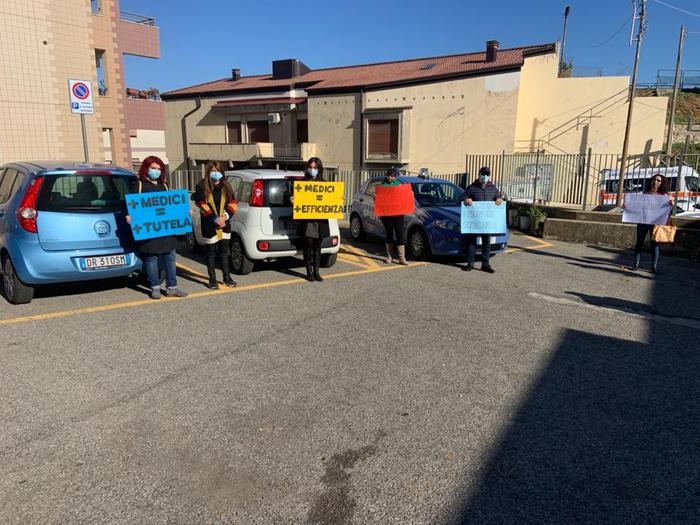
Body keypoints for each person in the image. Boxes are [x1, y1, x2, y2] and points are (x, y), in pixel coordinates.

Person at [127, 156, 188, 300]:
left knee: (170, 257)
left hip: (166, 230)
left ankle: (172, 287)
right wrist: (131, 217)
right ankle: (155, 287)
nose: (157, 171)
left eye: (159, 169)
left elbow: (172, 207)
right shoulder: (139, 186)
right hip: (150, 230)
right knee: (151, 259)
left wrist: (184, 212)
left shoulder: (164, 186)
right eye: (153, 168)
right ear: (146, 168)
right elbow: (131, 206)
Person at [192, 161, 238, 289]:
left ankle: (227, 277)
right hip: (209, 224)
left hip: (225, 223)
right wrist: (214, 219)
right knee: (211, 253)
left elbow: (233, 202)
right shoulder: (202, 186)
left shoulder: (226, 186)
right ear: (208, 172)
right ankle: (212, 279)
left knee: (224, 252)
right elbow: (201, 203)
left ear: (222, 172)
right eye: (213, 171)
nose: (215, 173)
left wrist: (225, 217)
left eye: (217, 171)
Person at [294, 157, 330, 282]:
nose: (312, 170)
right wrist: (293, 200)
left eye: (315, 167)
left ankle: (317, 271)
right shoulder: (302, 184)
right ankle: (309, 272)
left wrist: (338, 199)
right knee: (308, 245)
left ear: (319, 169)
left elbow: (330, 199)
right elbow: (296, 198)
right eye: (310, 167)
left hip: (320, 221)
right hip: (308, 221)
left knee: (318, 246)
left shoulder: (325, 184)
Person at [462, 166, 504, 273]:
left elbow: (498, 198)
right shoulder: (471, 187)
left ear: (489, 176)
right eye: (483, 174)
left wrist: (499, 199)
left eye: (487, 174)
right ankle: (470, 263)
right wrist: (466, 200)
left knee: (486, 243)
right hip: (474, 220)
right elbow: (462, 198)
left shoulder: (493, 188)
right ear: (479, 174)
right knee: (471, 242)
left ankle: (485, 264)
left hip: (487, 222)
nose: (485, 176)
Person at [630, 173, 673, 274]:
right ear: (651, 181)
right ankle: (636, 264)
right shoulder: (645, 194)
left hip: (655, 223)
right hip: (643, 221)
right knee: (639, 243)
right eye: (654, 180)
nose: (656, 182)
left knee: (654, 244)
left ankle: (654, 266)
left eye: (658, 180)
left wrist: (670, 205)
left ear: (662, 183)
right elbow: (636, 206)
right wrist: (627, 205)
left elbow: (667, 211)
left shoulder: (665, 196)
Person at [379, 167, 408, 265]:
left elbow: (404, 198)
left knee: (400, 235)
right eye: (388, 175)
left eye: (391, 176)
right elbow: (379, 202)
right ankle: (389, 256)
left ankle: (401, 258)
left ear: (395, 177)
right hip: (387, 215)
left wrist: (409, 194)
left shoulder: (399, 184)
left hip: (398, 214)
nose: (389, 178)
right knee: (389, 234)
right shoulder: (382, 185)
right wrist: (376, 198)